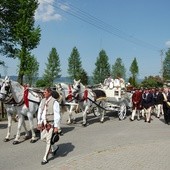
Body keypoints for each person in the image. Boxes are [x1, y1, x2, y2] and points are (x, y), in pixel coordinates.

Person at [37, 87, 61, 165]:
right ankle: (55, 147)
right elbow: (40, 112)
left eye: (45, 92)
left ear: (49, 92)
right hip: (43, 123)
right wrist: (39, 122)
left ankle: (45, 158)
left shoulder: (55, 102)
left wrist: (56, 126)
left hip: (51, 123)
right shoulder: (43, 101)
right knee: (42, 138)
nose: (43, 93)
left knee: (48, 141)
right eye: (43, 92)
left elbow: (57, 114)